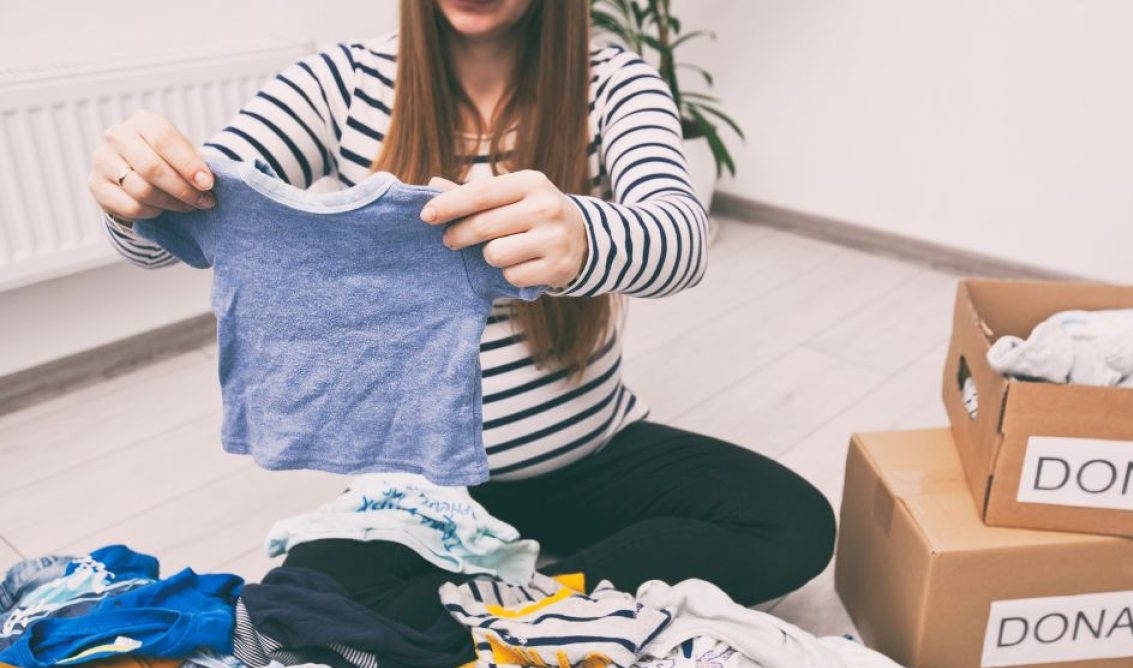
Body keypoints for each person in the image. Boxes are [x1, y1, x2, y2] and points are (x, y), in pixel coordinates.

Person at [87, 0, 835, 617]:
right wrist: (139, 194)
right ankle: (544, 601)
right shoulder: (339, 82)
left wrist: (583, 235)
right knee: (303, 598)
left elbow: (681, 238)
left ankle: (527, 597)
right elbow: (176, 232)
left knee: (794, 524)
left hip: (593, 455)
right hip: (420, 489)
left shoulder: (615, 82)